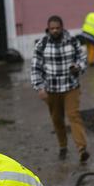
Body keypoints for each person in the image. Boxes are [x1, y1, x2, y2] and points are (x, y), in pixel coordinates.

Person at [31, 15, 89, 163]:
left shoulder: (72, 41)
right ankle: (63, 146)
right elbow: (35, 68)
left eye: (57, 28)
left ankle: (82, 149)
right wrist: (39, 88)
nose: (55, 31)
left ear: (62, 28)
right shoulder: (41, 44)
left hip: (71, 87)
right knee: (57, 119)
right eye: (52, 28)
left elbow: (83, 58)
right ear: (48, 29)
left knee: (73, 115)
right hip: (51, 89)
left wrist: (78, 68)